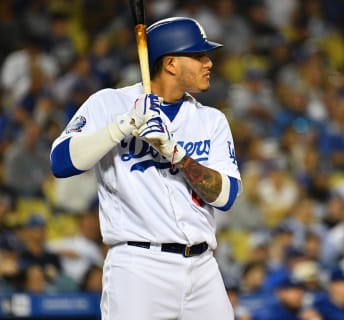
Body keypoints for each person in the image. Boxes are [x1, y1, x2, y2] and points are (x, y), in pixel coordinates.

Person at [50, 17, 242, 320]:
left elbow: (226, 196)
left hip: (203, 267)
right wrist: (121, 126)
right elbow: (60, 162)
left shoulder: (211, 120)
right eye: (198, 56)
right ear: (170, 64)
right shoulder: (111, 103)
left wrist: (174, 152)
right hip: (139, 266)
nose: (209, 63)